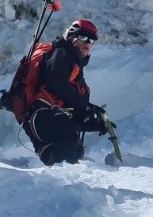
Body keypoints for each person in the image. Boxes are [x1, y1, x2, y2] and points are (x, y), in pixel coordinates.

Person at [23, 18, 109, 165]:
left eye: (91, 40)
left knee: (74, 149)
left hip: (49, 119)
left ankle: (53, 168)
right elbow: (58, 83)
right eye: (83, 37)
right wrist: (87, 107)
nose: (88, 43)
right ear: (71, 38)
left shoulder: (77, 74)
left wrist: (92, 121)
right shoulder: (60, 53)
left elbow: (74, 108)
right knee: (67, 137)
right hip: (42, 114)